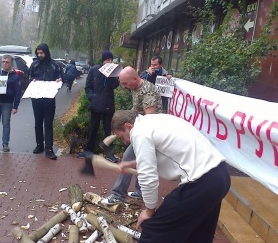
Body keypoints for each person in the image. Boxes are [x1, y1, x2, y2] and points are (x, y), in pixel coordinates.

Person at [111, 110, 231, 243]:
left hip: (202, 182)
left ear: (128, 126)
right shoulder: (155, 121)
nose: (126, 141)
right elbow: (164, 152)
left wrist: (149, 211)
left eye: (122, 137)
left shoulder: (139, 132)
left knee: (153, 230)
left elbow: (148, 176)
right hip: (220, 176)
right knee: (198, 235)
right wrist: (135, 163)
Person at [101, 66, 162, 205]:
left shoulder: (147, 91)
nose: (123, 86)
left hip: (146, 132)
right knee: (140, 160)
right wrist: (121, 124)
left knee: (129, 157)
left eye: (125, 83)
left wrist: (130, 132)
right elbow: (136, 111)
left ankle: (117, 194)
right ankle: (140, 192)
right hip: (138, 128)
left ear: (134, 78)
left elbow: (149, 118)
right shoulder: (135, 88)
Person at [78, 50, 119, 162]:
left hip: (108, 105)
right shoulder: (94, 70)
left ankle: (109, 153)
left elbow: (115, 85)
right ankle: (89, 150)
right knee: (93, 128)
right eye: (107, 60)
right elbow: (88, 86)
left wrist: (112, 75)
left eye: (110, 60)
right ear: (103, 60)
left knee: (108, 130)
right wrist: (92, 97)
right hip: (96, 105)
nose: (109, 62)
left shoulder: (113, 72)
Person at [29, 43, 62, 160]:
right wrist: (32, 80)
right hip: (36, 98)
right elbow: (30, 77)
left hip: (49, 99)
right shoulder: (34, 64)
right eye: (38, 53)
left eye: (41, 53)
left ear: (46, 52)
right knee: (38, 122)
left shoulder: (54, 65)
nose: (39, 55)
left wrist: (59, 80)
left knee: (48, 124)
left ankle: (49, 148)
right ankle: (39, 145)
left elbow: (60, 78)